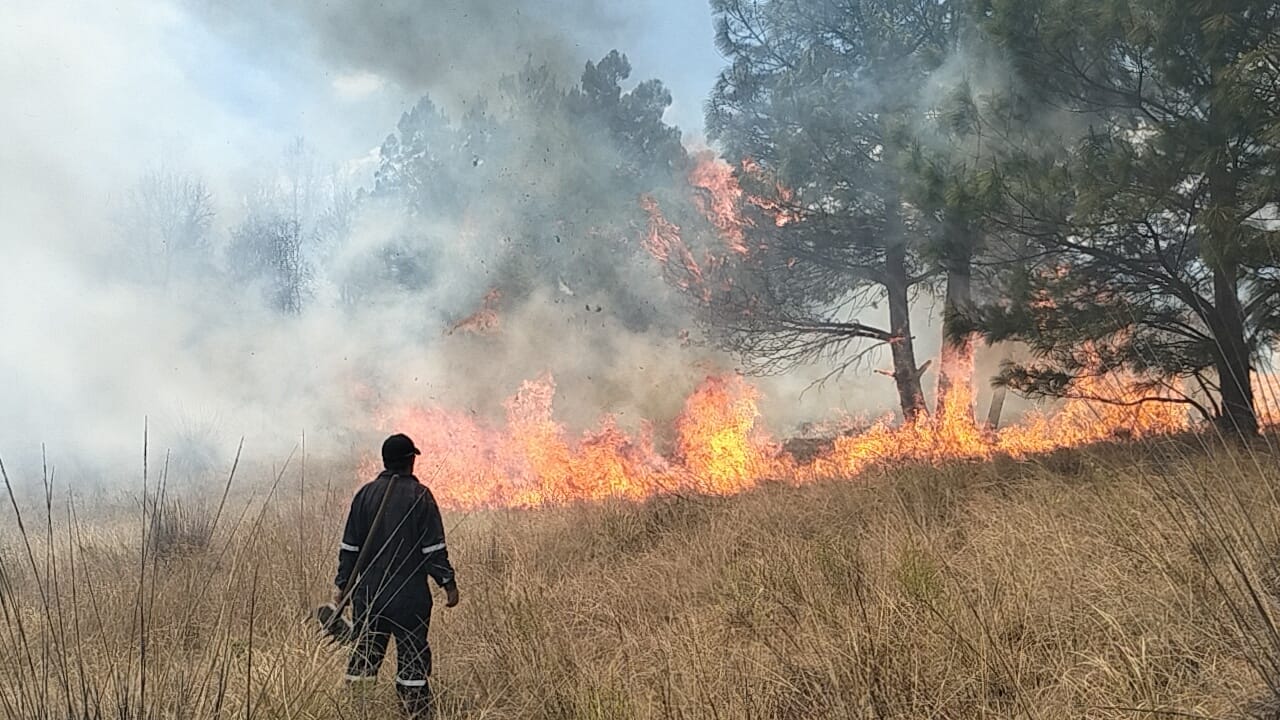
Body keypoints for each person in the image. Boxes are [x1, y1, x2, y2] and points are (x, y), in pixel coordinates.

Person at [333, 433, 459, 718]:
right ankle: (413, 712)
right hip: (409, 598)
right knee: (413, 657)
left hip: (369, 596)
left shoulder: (364, 495)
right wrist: (448, 583)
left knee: (365, 657)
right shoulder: (420, 496)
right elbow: (433, 548)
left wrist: (342, 586)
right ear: (410, 461)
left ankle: (358, 710)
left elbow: (350, 548)